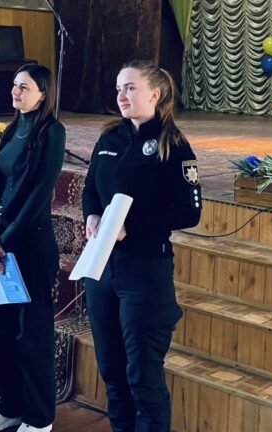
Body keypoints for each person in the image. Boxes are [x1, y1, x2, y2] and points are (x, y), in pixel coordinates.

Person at [81, 60, 202, 432]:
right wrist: (92, 215)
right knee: (112, 370)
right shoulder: (109, 138)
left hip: (144, 271)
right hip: (102, 267)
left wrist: (130, 226)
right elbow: (90, 188)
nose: (121, 95)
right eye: (119, 88)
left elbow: (189, 212)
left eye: (131, 88)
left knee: (142, 377)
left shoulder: (173, 145)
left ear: (155, 94)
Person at [0, 64, 66, 432]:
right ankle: (11, 405)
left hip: (29, 247)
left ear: (43, 94)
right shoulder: (11, 129)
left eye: (24, 87)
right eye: (14, 85)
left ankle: (39, 416)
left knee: (32, 338)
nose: (15, 91)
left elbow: (39, 193)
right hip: (0, 246)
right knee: (4, 334)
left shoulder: (52, 132)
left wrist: (6, 239)